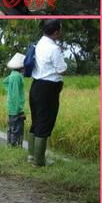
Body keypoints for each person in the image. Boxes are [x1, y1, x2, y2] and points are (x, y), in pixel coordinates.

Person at [28, 19, 67, 166]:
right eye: (60, 30)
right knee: (45, 122)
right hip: (48, 89)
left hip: (36, 86)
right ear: (56, 32)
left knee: (36, 120)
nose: (61, 32)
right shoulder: (54, 48)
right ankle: (39, 161)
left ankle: (31, 156)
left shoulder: (39, 43)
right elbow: (62, 69)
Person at [3, 52, 26, 147]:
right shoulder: (17, 77)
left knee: (11, 127)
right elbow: (16, 95)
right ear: (22, 67)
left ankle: (9, 145)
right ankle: (14, 146)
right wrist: (20, 109)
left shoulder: (12, 74)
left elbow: (4, 82)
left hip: (10, 106)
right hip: (16, 108)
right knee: (17, 128)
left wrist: (10, 90)